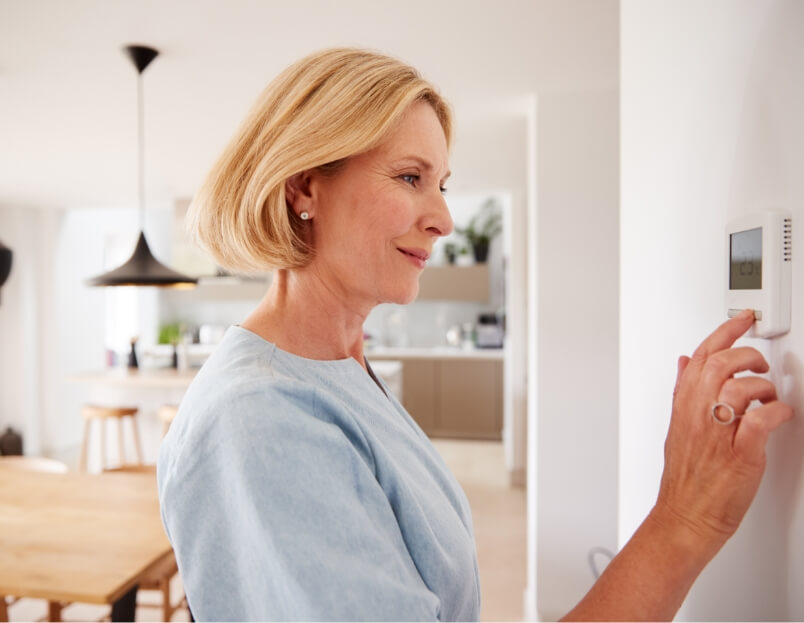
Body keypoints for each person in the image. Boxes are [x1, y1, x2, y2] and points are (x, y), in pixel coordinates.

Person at [157, 48, 793, 621]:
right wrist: (683, 521)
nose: (443, 218)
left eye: (442, 184)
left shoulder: (338, 367)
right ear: (304, 188)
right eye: (410, 178)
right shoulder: (264, 418)